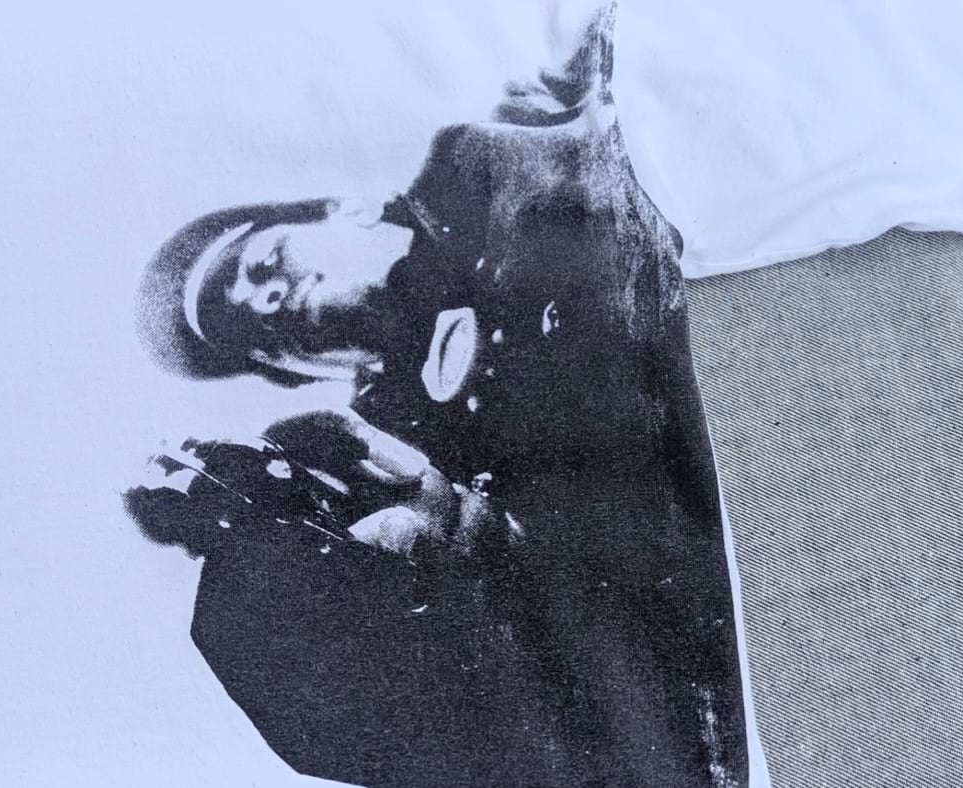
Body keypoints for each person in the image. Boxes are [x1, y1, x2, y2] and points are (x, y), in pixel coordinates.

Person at [126, 8, 749, 787]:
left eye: (264, 268)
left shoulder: (492, 164)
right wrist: (444, 520)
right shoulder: (379, 459)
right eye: (261, 332)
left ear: (337, 208)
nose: (275, 299)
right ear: (291, 373)